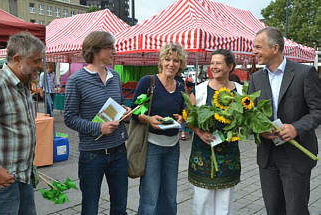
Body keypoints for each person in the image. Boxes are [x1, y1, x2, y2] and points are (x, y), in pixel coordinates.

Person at [249, 27, 321, 215]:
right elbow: (249, 115)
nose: (254, 51)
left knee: (296, 210)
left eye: (258, 47)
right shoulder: (256, 78)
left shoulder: (305, 73)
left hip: (296, 155)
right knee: (273, 209)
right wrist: (258, 130)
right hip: (268, 155)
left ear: (275, 48)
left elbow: (318, 111)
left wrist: (296, 128)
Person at [64, 31, 131, 215]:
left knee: (119, 206)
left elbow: (119, 103)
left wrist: (124, 112)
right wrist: (98, 128)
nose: (114, 51)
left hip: (118, 151)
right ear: (96, 50)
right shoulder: (75, 81)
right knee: (90, 208)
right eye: (110, 47)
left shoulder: (115, 76)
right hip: (92, 155)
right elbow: (69, 117)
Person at [0, 32, 45, 215]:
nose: (41, 66)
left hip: (23, 176)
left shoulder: (23, 84)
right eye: (36, 61)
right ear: (17, 59)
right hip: (2, 182)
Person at [131, 43, 186, 215]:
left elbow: (183, 110)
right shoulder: (149, 81)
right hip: (151, 147)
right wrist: (148, 119)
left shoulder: (180, 85)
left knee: (169, 197)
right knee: (150, 197)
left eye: (176, 60)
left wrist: (181, 117)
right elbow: (134, 110)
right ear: (161, 61)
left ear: (180, 63)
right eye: (167, 59)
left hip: (173, 147)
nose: (171, 64)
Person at [188, 49, 242, 215]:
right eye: (212, 63)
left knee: (225, 203)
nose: (213, 67)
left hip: (229, 154)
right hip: (203, 153)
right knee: (202, 200)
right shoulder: (199, 90)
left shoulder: (241, 91)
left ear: (230, 66)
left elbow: (246, 118)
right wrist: (199, 132)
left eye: (218, 63)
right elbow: (189, 118)